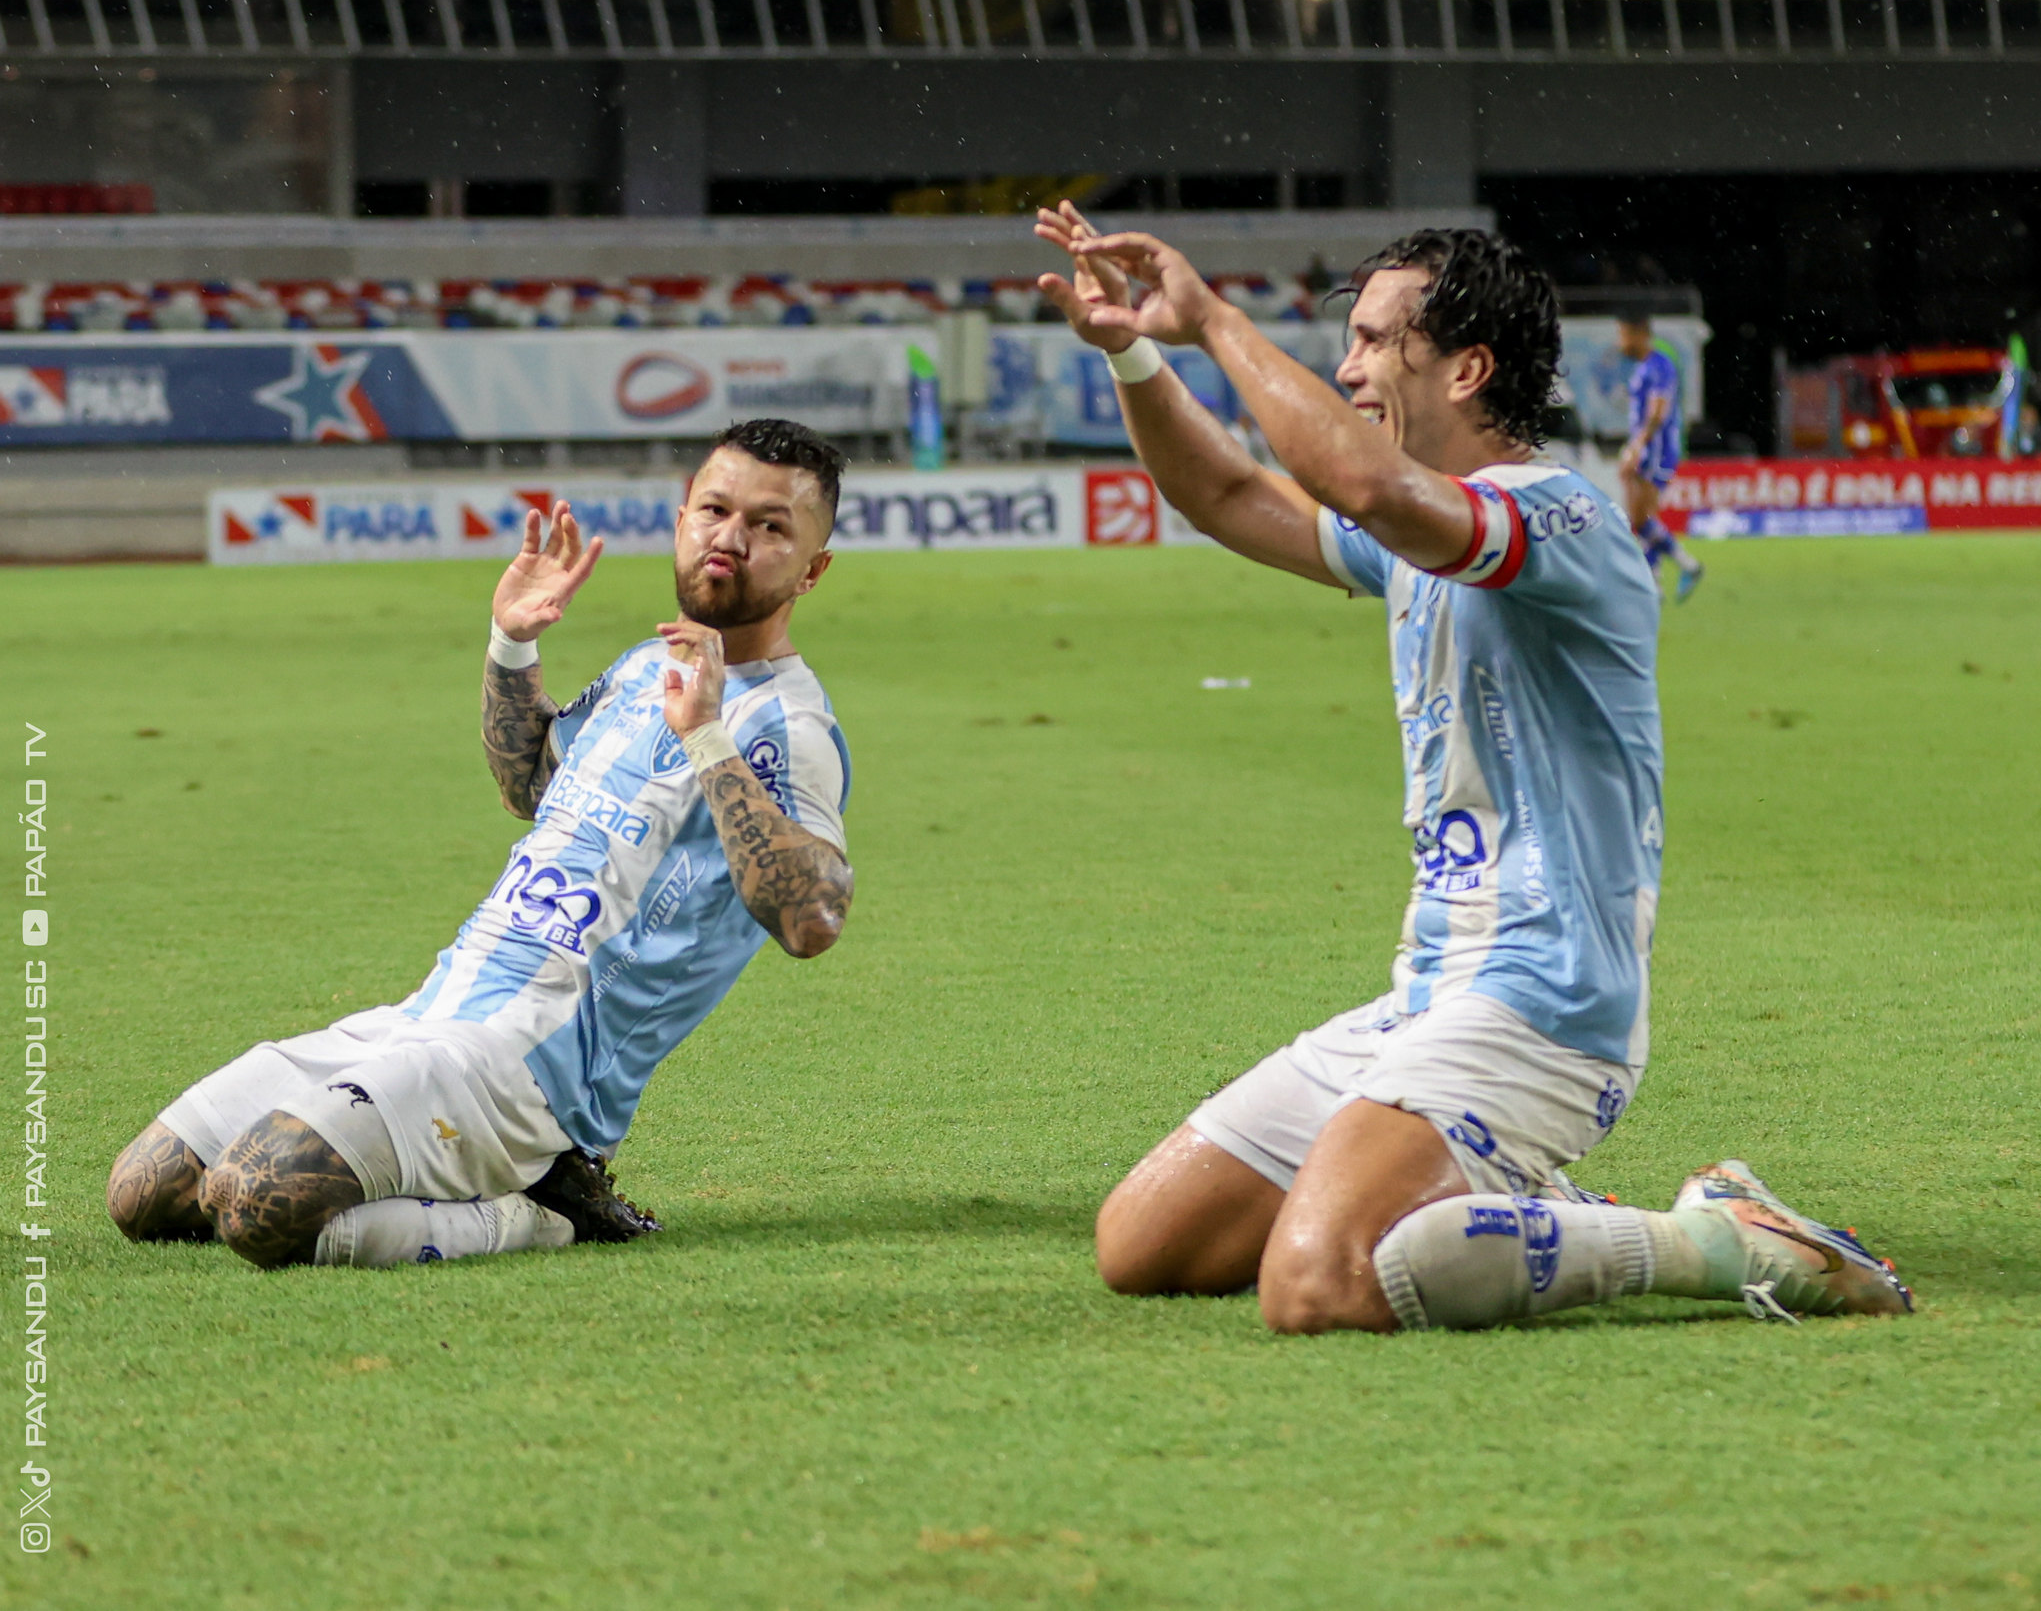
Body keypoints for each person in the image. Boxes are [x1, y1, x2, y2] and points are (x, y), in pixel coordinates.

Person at [1033, 203, 1911, 1334]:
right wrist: (1136, 353)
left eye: (1369, 340)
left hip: (1546, 1000)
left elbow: (1368, 489)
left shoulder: (1558, 518)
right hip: (1429, 991)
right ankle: (1511, 1202)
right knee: (1143, 1244)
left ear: (1466, 368)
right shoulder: (1420, 529)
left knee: (1318, 1285)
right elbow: (1230, 496)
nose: (1344, 366)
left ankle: (1721, 1239)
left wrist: (1211, 319)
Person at [105, 418, 855, 1269]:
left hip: (532, 1071)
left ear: (812, 568)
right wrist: (513, 644)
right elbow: (529, 788)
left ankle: (544, 1210)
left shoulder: (788, 725)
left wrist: (709, 739)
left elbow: (812, 919)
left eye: (770, 526)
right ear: (683, 517)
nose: (732, 538)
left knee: (258, 1201)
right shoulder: (649, 668)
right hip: (432, 1014)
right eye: (716, 509)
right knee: (146, 1193)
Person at [1617, 315, 1704, 601]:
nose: (1621, 343)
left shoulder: (1659, 365)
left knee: (1640, 516)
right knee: (1641, 518)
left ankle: (1683, 566)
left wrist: (1637, 446)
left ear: (1639, 334)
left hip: (1656, 448)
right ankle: (1655, 582)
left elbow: (1658, 412)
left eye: (1624, 335)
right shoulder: (1644, 367)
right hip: (1647, 446)